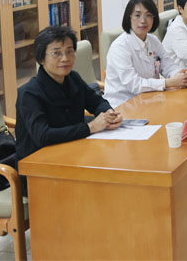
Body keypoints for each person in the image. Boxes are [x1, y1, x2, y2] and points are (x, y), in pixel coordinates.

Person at [16, 26, 122, 194]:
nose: (65, 58)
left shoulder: (73, 78)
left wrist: (109, 112)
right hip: (38, 170)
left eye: (70, 51)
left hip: (73, 154)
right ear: (41, 58)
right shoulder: (29, 93)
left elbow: (96, 102)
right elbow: (43, 136)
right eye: (56, 53)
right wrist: (90, 128)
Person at [104, 0, 187, 108]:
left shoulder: (153, 41)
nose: (143, 21)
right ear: (129, 18)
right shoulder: (120, 47)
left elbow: (168, 65)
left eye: (148, 15)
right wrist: (168, 83)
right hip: (123, 105)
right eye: (137, 15)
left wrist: (180, 75)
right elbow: (134, 85)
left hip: (150, 98)